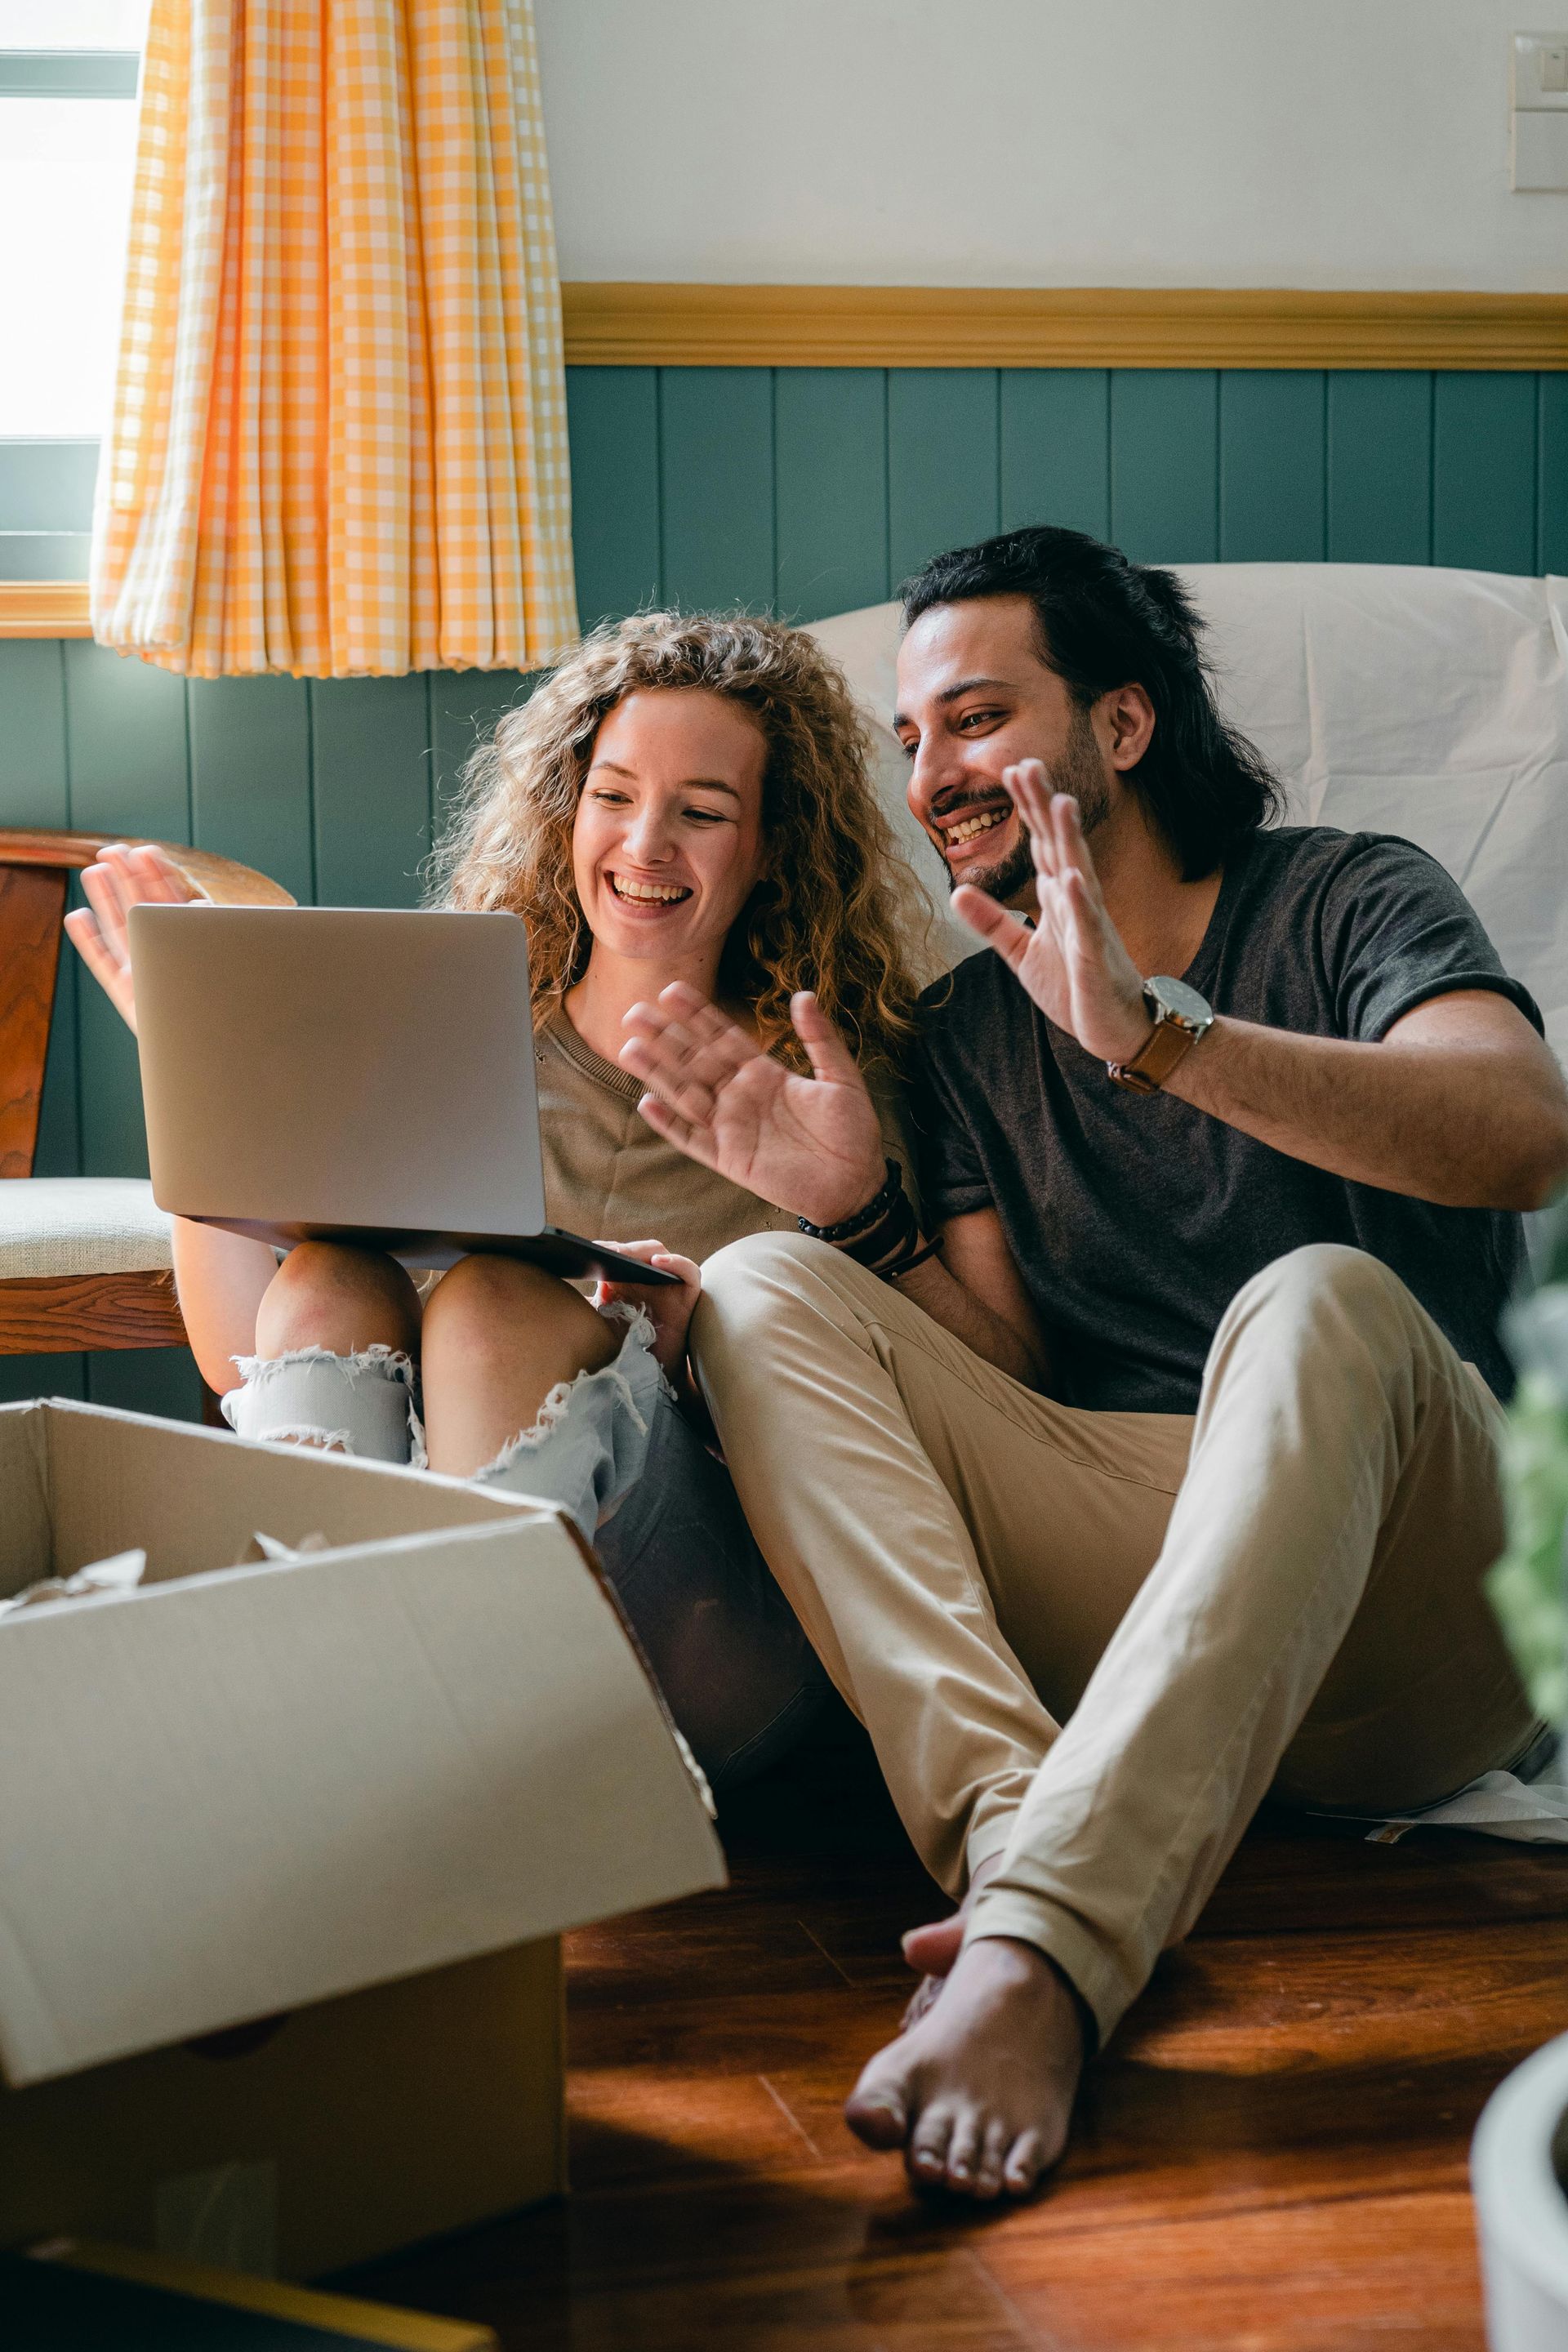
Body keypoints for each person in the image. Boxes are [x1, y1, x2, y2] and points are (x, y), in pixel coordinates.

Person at [616, 526, 1568, 2199]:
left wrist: (1161, 1037)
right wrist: (863, 1221)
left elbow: (1521, 1136)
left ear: (1120, 727)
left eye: (976, 718)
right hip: (1153, 1558)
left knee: (1318, 1297)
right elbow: (1017, 1384)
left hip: (1425, 1610)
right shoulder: (973, 1031)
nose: (935, 775)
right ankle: (1011, 1842)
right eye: (911, 739)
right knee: (764, 1284)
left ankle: (1051, 1956)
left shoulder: (1348, 895)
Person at [65, 611, 926, 1791]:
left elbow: (899, 1434)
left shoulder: (831, 1089)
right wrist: (196, 1083)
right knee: (326, 1272)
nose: (646, 842)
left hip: (717, 1630)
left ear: (774, 843)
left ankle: (394, 1768)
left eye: (704, 811)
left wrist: (700, 1343)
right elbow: (237, 1363)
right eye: (614, 795)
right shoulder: (455, 1039)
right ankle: (374, 1754)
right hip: (427, 1641)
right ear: (568, 810)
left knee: (488, 1309)